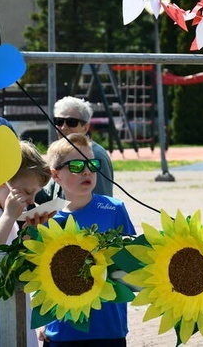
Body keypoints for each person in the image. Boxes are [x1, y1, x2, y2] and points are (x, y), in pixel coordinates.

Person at [39, 133, 135, 345]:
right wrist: (43, 320)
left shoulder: (114, 209)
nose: (86, 171)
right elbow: (41, 277)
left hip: (109, 329)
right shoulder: (46, 218)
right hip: (63, 331)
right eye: (75, 165)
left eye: (92, 164)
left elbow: (131, 264)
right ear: (55, 175)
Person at [0, 139, 53, 347]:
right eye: (27, 192)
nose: (32, 201)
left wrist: (30, 232)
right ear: (3, 181)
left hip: (17, 311)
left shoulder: (9, 215)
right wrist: (9, 217)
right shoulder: (6, 215)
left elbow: (16, 260)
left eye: (35, 194)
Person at [35, 96, 115, 203]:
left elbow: (101, 203)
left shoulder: (94, 155)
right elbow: (50, 197)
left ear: (85, 128)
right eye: (59, 121)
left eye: (71, 122)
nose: (63, 127)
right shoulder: (60, 153)